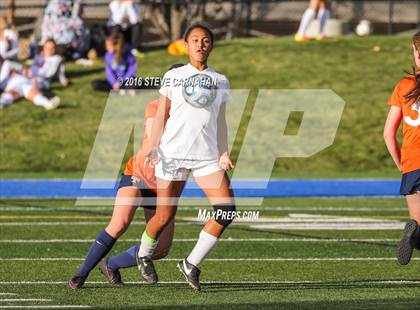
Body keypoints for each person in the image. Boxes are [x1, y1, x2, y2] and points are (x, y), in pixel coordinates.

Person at [68, 64, 185, 289]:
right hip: (139, 173)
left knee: (161, 249)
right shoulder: (156, 106)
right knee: (119, 223)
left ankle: (111, 264)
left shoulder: (195, 115)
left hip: (165, 183)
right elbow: (154, 135)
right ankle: (81, 273)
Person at [137, 23, 235, 291]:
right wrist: (154, 145)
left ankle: (191, 263)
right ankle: (144, 254)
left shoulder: (221, 80)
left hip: (206, 157)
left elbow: (221, 122)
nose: (200, 45)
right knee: (164, 215)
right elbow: (161, 114)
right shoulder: (174, 76)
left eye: (205, 40)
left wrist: (223, 151)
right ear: (186, 44)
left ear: (211, 45)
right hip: (173, 154)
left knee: (226, 210)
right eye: (195, 40)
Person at [384, 31, 420, 266]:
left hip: (412, 164)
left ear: (416, 55)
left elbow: (388, 134)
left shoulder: (404, 86)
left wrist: (401, 165)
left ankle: (413, 230)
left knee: (417, 221)